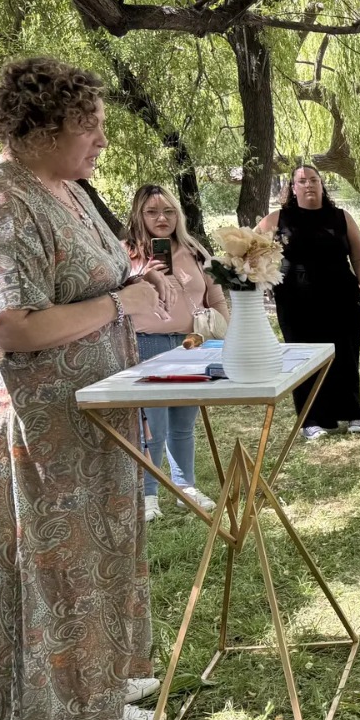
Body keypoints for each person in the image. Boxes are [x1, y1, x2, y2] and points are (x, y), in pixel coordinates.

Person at [0, 57, 175, 720]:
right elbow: (11, 326)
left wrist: (128, 282)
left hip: (92, 410)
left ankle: (102, 670)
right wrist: (120, 300)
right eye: (89, 128)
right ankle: (75, 707)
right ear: (40, 129)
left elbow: (83, 278)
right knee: (63, 557)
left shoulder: (67, 186)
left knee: (104, 543)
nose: (101, 142)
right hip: (41, 421)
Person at [257, 165, 360, 440]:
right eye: (302, 181)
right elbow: (248, 249)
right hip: (295, 301)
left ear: (322, 184)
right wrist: (263, 279)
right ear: (292, 188)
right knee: (303, 358)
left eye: (314, 180)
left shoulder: (341, 218)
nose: (309, 185)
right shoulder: (278, 219)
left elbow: (359, 259)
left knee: (345, 355)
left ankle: (352, 413)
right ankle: (310, 419)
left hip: (341, 296)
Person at [124, 185, 225, 521]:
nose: (162, 218)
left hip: (190, 342)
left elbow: (216, 294)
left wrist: (227, 326)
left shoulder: (193, 248)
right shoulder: (124, 252)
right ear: (139, 215)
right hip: (147, 344)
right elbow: (114, 291)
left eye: (168, 211)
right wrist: (144, 271)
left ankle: (186, 487)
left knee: (184, 420)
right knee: (152, 425)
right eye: (152, 212)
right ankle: (149, 493)